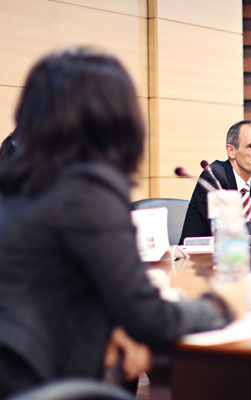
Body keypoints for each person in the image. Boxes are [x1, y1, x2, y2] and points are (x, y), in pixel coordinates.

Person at [0, 48, 235, 397]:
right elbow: (148, 316)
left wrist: (111, 324)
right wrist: (223, 307)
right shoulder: (86, 188)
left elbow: (48, 286)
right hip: (38, 382)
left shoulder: (19, 182)